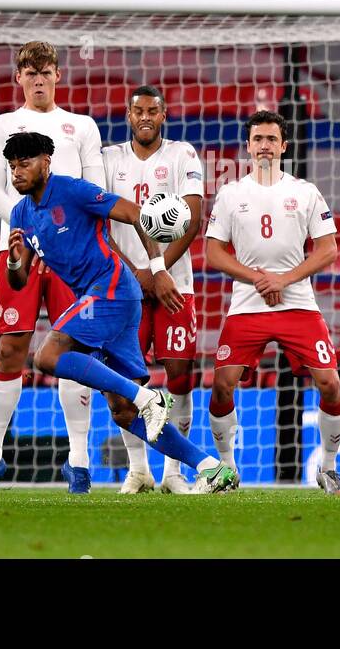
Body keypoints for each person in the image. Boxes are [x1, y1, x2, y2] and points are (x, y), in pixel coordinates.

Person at [2, 131, 236, 493]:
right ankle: (211, 466)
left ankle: (149, 397)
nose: (17, 172)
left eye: (25, 163)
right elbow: (18, 281)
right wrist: (15, 262)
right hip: (105, 300)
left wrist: (157, 268)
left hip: (111, 290)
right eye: (13, 166)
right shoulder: (21, 213)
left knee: (47, 357)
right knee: (123, 410)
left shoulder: (74, 191)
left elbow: (137, 214)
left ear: (46, 163)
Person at [0, 41, 105, 494]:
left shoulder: (81, 126)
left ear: (57, 76)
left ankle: (79, 460)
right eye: (29, 72)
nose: (37, 79)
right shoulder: (1, 126)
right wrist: (27, 226)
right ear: (18, 77)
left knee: (72, 353)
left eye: (45, 71)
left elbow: (98, 187)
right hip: (16, 247)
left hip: (73, 257)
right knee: (12, 349)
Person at [205, 111, 340, 495]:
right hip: (248, 304)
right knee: (221, 385)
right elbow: (213, 253)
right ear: (248, 146)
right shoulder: (231, 193)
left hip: (297, 302)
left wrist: (284, 279)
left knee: (330, 383)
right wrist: (258, 279)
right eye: (258, 139)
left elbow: (328, 250)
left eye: (272, 139)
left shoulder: (305, 191)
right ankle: (228, 469)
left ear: (283, 146)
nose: (264, 146)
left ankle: (329, 468)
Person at [102, 85, 205, 494]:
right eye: (138, 110)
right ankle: (138, 469)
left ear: (164, 116)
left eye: (153, 110)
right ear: (128, 116)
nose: (145, 116)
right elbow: (98, 222)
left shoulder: (183, 155)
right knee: (127, 377)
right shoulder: (109, 159)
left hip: (174, 285)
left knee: (179, 373)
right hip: (123, 287)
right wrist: (138, 274)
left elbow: (193, 219)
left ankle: (174, 474)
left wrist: (159, 270)